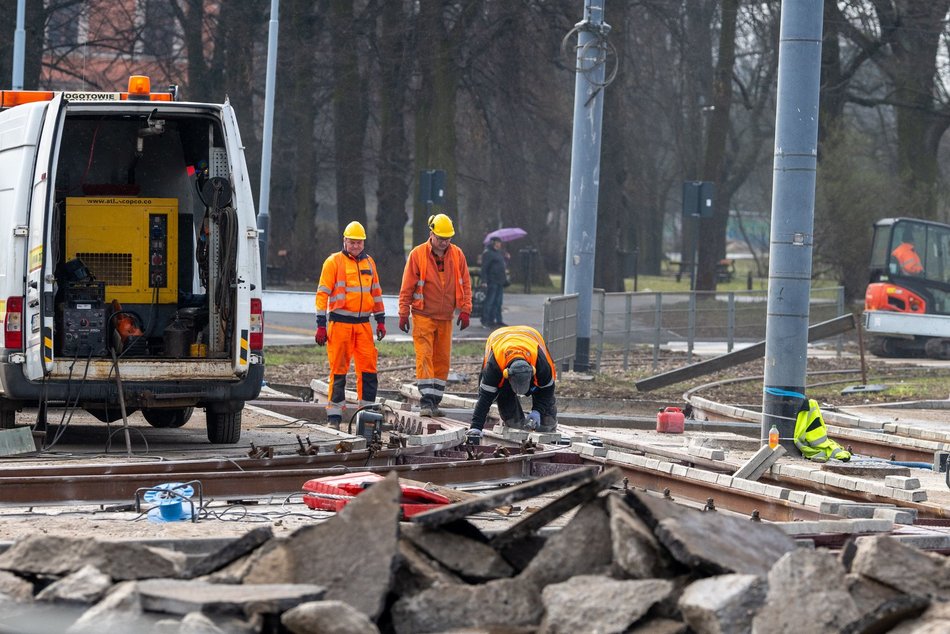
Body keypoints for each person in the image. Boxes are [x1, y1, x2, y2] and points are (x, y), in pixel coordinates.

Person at [398, 213, 473, 417]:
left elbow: (465, 283)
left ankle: (435, 402)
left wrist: (466, 309)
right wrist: (403, 313)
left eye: (447, 239)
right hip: (423, 315)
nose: (443, 242)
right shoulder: (417, 255)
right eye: (440, 238)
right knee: (425, 357)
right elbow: (407, 287)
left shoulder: (457, 255)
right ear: (431, 234)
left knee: (442, 360)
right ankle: (426, 402)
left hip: (446, 317)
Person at [315, 221, 386, 429]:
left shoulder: (369, 263)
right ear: (344, 241)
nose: (355, 245)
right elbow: (322, 295)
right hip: (340, 324)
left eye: (359, 242)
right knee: (338, 371)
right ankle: (334, 419)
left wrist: (380, 320)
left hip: (363, 325)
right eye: (352, 242)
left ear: (363, 243)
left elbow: (376, 293)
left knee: (369, 371)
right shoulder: (333, 262)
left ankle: (368, 417)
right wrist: (320, 324)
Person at [466, 325, 557, 443]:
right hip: (499, 339)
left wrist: (537, 411)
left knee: (547, 422)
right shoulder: (494, 368)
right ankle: (515, 427)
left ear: (532, 372)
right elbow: (485, 398)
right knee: (513, 421)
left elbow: (547, 391)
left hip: (530, 337)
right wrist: (476, 427)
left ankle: (548, 433)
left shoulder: (541, 366)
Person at [480, 236, 508, 328]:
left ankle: (497, 320)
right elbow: (484, 268)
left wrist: (507, 258)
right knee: (490, 301)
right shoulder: (488, 253)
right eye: (497, 242)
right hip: (492, 281)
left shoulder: (499, 253)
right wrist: (484, 280)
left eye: (500, 242)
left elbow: (502, 265)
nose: (499, 244)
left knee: (498, 302)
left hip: (500, 281)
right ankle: (486, 320)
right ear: (493, 243)